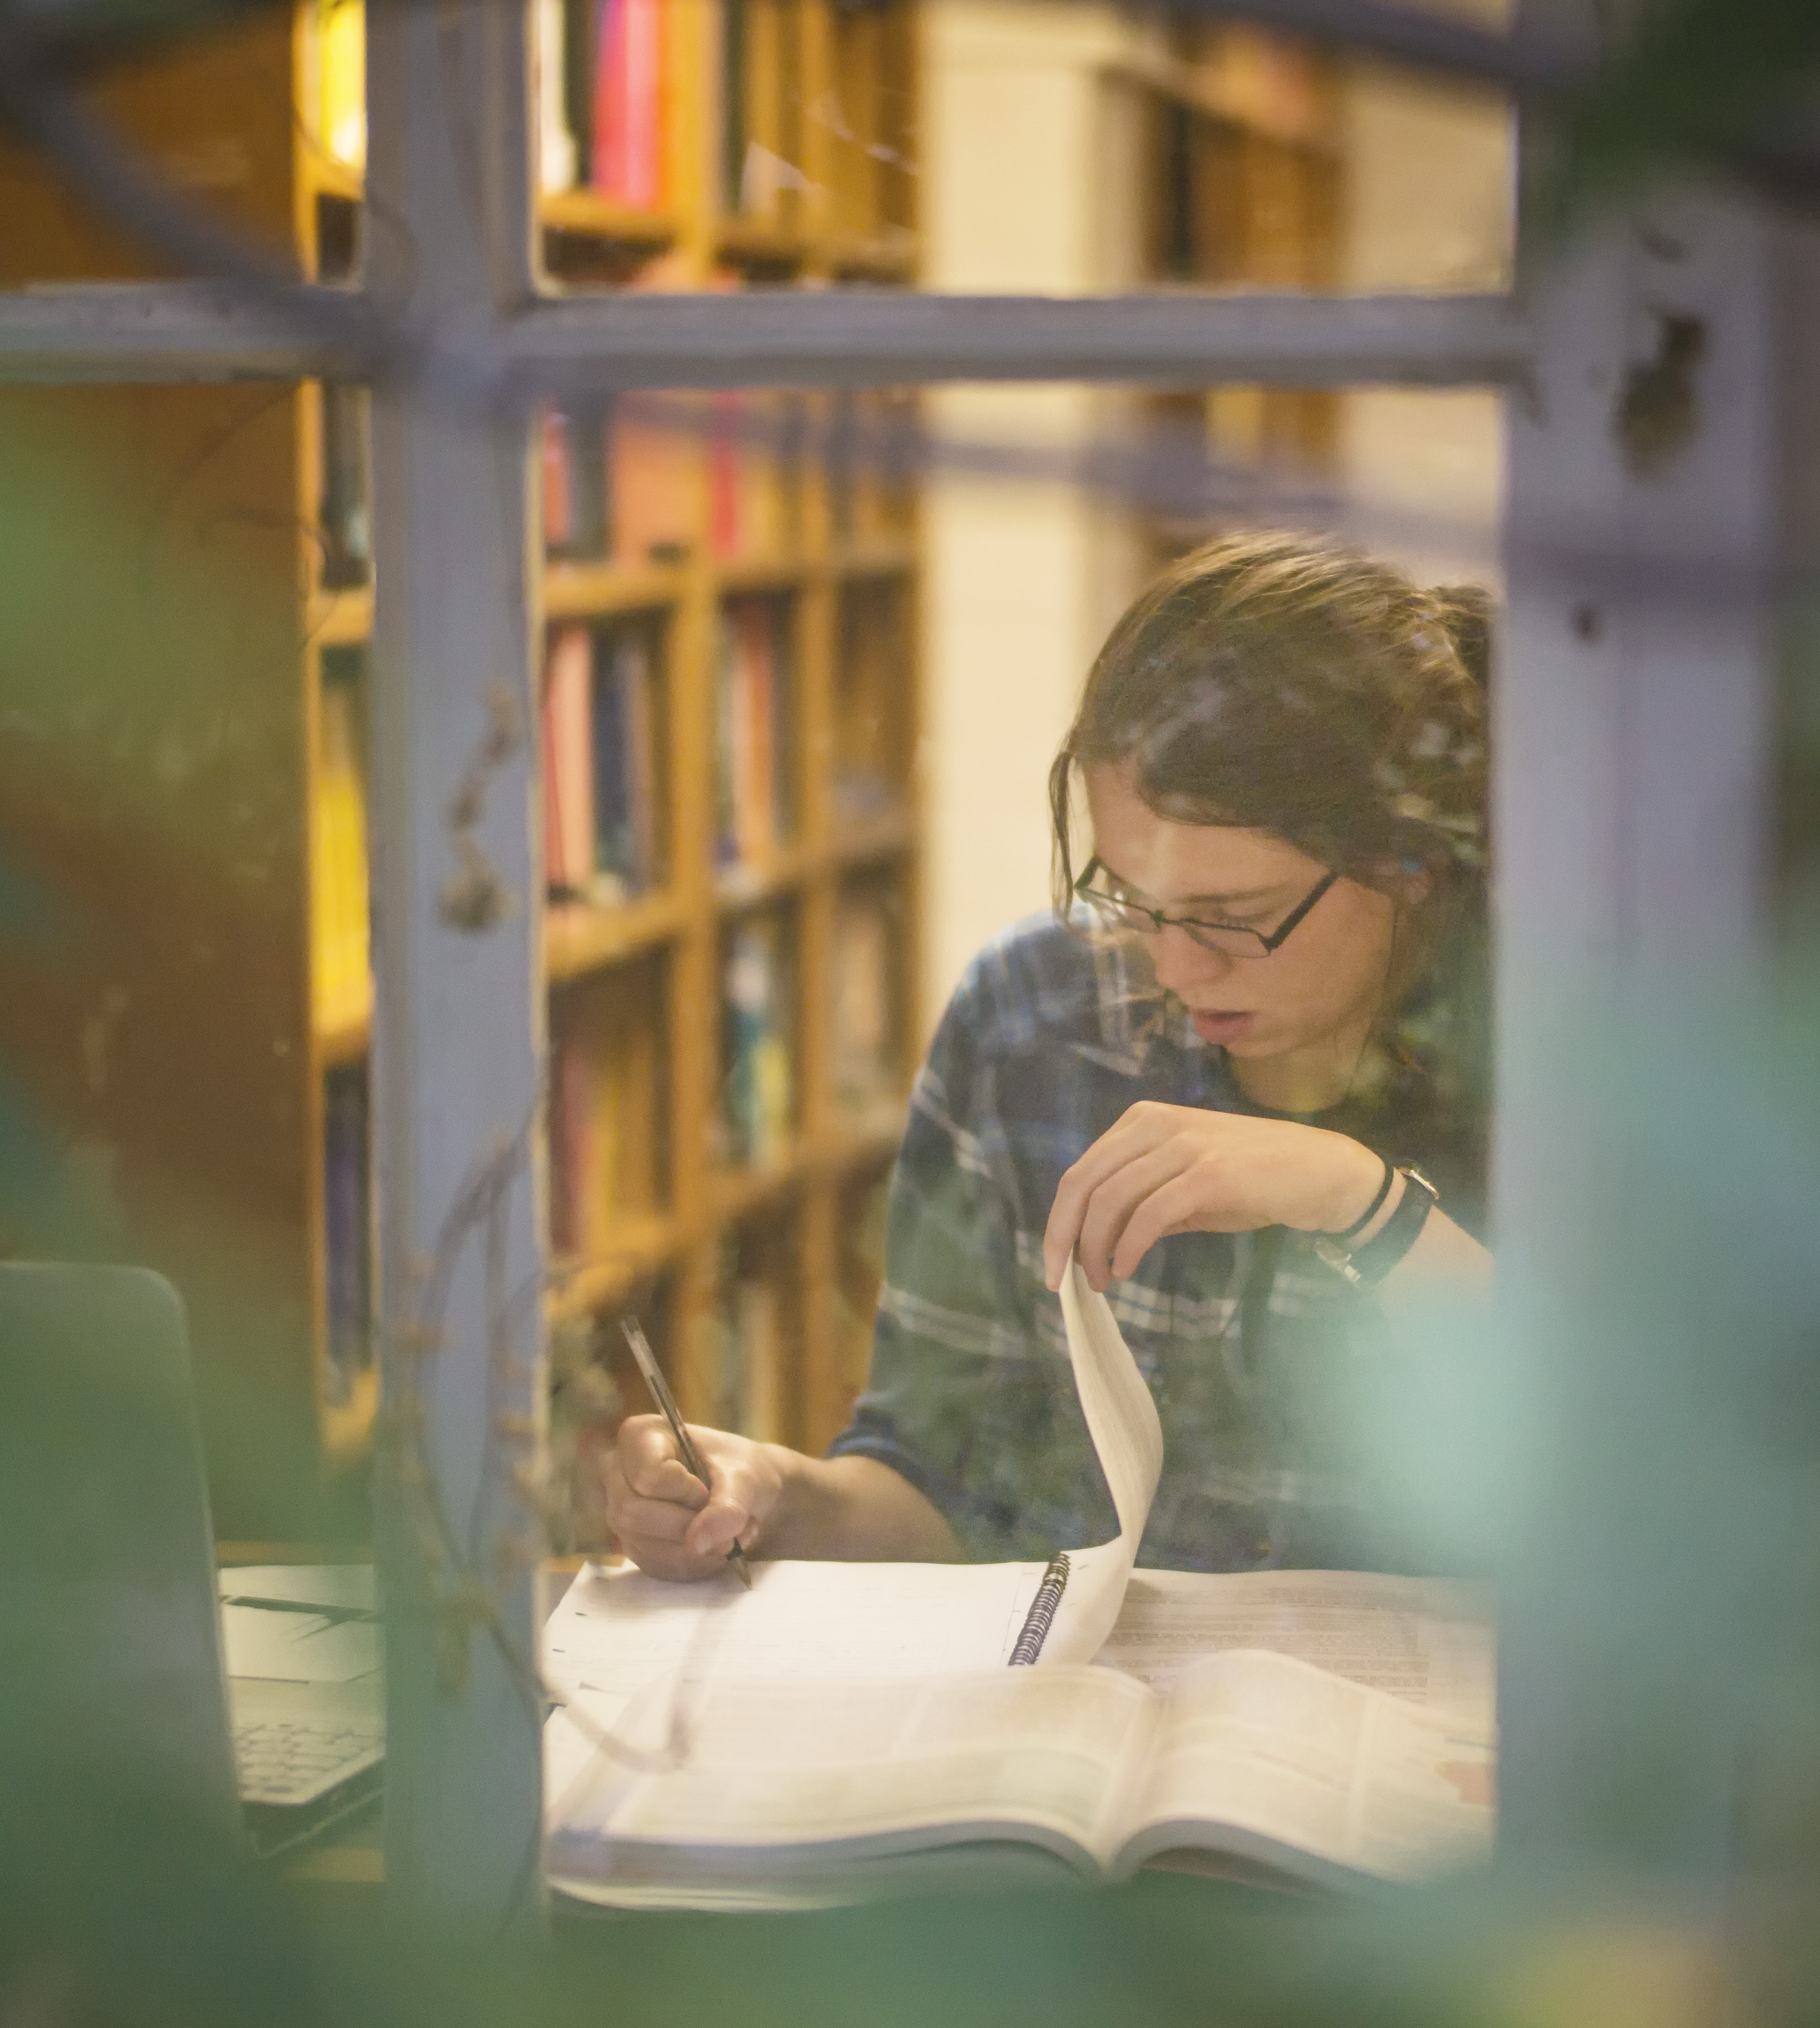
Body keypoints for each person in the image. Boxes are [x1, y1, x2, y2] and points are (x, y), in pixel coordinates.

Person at [602, 533, 1492, 1578]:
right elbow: (936, 1484)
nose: (1171, 969)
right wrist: (775, 1497)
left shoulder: (1562, 1053)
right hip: (1094, 1723)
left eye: (1229, 915)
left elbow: (1644, 1505)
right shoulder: (1037, 1015)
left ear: (1411, 860)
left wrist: (1366, 1206)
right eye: (1133, 896)